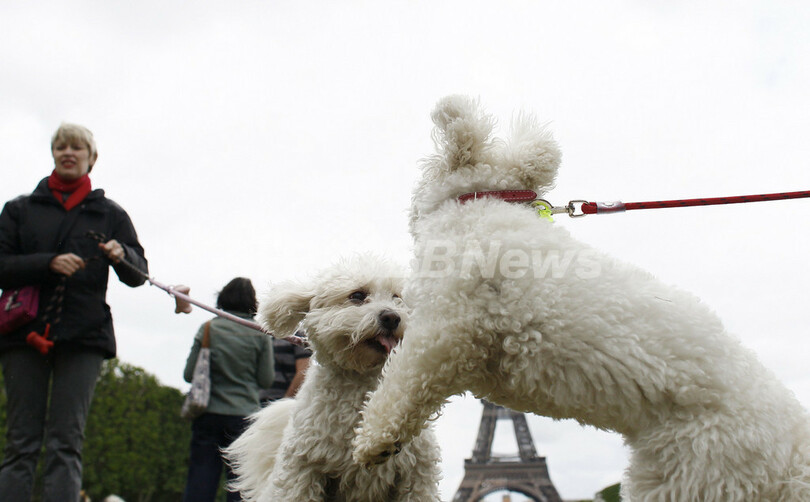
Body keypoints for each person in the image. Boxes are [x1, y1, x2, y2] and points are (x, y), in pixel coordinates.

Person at [0, 123, 148, 502]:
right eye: (61, 146)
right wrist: (48, 263)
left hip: (84, 335)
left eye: (77, 147)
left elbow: (139, 275)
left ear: (91, 157)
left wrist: (123, 255)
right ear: (53, 154)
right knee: (20, 440)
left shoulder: (110, 215)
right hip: (23, 333)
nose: (68, 152)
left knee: (66, 441)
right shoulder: (18, 210)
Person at [182, 277, 274, 502]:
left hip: (208, 412)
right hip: (243, 416)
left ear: (222, 297)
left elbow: (189, 374)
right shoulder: (259, 333)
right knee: (240, 484)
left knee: (201, 478)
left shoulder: (209, 328)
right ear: (252, 303)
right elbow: (266, 380)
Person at [259, 330, 312, 405]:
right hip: (262, 402)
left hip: (282, 403)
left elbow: (303, 371)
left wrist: (284, 402)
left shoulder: (298, 334)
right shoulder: (267, 335)